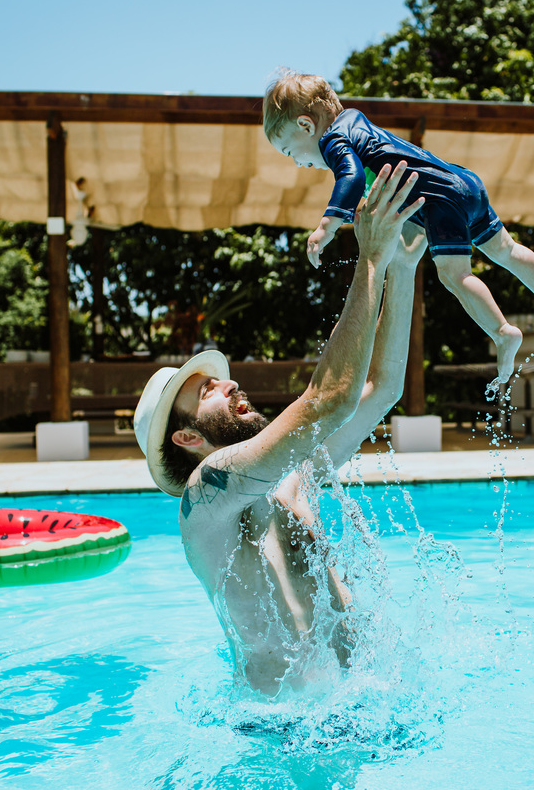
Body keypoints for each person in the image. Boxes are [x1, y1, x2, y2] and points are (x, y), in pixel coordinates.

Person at [132, 163, 427, 696]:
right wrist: (369, 258)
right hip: (279, 738)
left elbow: (382, 389)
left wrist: (401, 271)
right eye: (206, 392)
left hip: (362, 714)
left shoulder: (293, 473)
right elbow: (327, 401)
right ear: (186, 437)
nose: (228, 384)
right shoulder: (207, 501)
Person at [262, 70, 534, 390]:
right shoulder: (356, 119)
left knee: (454, 274)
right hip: (465, 182)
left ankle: (502, 332)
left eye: (291, 152)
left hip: (440, 201)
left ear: (306, 125)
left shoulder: (333, 139)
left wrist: (326, 227)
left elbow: (352, 177)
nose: (298, 162)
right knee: (505, 250)